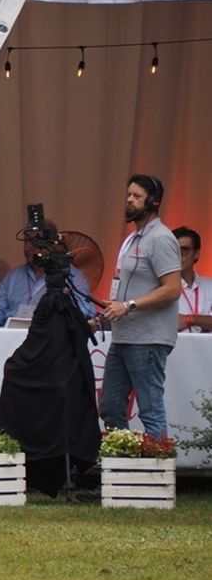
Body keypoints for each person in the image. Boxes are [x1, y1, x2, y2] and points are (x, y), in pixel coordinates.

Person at [97, 176, 181, 439]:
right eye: (128, 195)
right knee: (110, 407)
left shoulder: (161, 238)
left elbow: (172, 289)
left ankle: (156, 475)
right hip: (124, 336)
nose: (129, 200)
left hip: (148, 339)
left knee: (150, 409)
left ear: (153, 202)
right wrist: (107, 314)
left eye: (136, 196)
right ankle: (124, 465)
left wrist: (129, 305)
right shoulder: (134, 238)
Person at [0, 219, 95, 325]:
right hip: (14, 338)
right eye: (26, 241)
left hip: (52, 339)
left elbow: (86, 312)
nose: (27, 247)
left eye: (34, 242)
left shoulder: (73, 277)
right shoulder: (12, 277)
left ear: (50, 243)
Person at [174, 226, 212, 333]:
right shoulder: (161, 288)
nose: (178, 255)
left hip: (207, 348)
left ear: (196, 254)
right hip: (175, 348)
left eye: (184, 250)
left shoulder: (209, 286)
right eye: (174, 250)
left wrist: (190, 320)